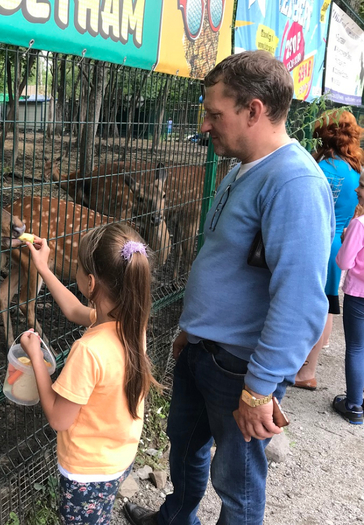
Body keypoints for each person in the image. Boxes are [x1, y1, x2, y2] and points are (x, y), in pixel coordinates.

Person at [123, 50, 334, 525]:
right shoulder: (241, 168)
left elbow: (300, 298)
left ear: (254, 110)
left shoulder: (294, 183)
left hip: (240, 368)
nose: (206, 125)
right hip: (203, 350)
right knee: (185, 446)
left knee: (236, 482)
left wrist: (260, 388)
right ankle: (177, 517)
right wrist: (191, 330)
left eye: (216, 113)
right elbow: (227, 262)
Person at [18, 222, 155, 525]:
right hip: (118, 459)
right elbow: (75, 310)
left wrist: (37, 359)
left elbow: (58, 418)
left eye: (78, 267)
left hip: (86, 475)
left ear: (90, 283)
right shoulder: (133, 325)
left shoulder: (89, 350)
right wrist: (43, 267)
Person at [294, 110, 363, 390]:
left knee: (307, 303)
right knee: (328, 306)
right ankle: (308, 368)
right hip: (337, 246)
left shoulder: (320, 166)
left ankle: (301, 367)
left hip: (314, 240)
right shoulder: (354, 169)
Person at [334, 181, 364, 424]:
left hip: (358, 294)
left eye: (362, 185)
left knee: (356, 347)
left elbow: (344, 262)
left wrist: (345, 239)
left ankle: (354, 405)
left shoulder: (358, 225)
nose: (356, 189)